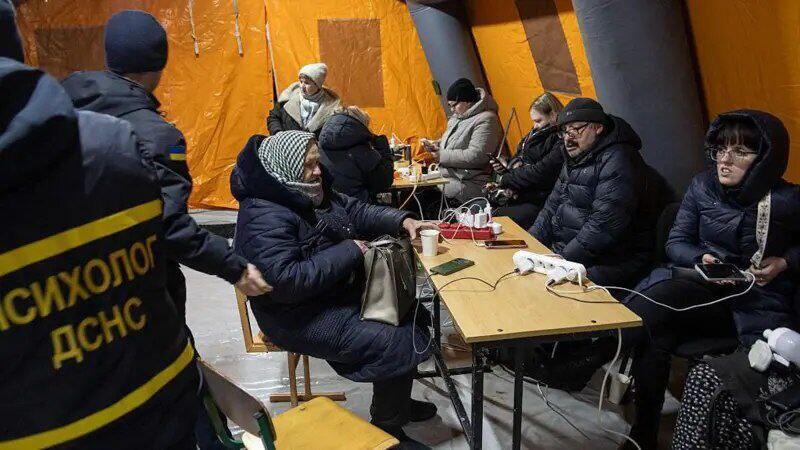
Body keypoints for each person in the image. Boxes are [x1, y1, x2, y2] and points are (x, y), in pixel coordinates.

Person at [60, 10, 270, 449]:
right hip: (141, 292)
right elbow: (168, 223)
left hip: (68, 295)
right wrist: (233, 267)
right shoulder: (156, 135)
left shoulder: (59, 112)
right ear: (159, 64)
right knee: (177, 389)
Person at [0, 3, 197, 447]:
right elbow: (171, 232)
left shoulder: (102, 125)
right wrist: (233, 266)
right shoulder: (123, 146)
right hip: (158, 404)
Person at [231, 130, 439, 446]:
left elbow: (354, 210)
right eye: (309, 165)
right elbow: (286, 283)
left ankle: (396, 404)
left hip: (329, 296)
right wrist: (349, 251)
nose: (317, 172)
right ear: (286, 167)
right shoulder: (263, 215)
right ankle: (388, 428)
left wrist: (401, 221)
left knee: (414, 314)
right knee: (396, 341)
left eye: (318, 163)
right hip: (295, 316)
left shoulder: (308, 190)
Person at [621, 110, 800, 449]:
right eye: (720, 149)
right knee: (654, 328)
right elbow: (677, 242)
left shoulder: (788, 200)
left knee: (652, 318)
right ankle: (643, 433)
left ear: (766, 160)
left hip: (755, 300)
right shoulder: (702, 186)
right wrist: (698, 258)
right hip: (704, 288)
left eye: (740, 152)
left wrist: (784, 262)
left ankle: (612, 334)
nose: (725, 160)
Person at [530, 97, 651, 287]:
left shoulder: (619, 160)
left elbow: (602, 227)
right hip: (570, 254)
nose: (568, 138)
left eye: (576, 129)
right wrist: (531, 247)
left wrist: (561, 260)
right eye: (564, 131)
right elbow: (550, 208)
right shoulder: (575, 157)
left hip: (611, 260)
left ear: (598, 127)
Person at [485, 92, 565, 228]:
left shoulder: (559, 140)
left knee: (493, 217)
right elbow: (520, 159)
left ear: (553, 114)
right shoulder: (533, 135)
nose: (535, 125)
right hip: (523, 192)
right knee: (481, 209)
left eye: (538, 121)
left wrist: (507, 178)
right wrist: (505, 168)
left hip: (538, 198)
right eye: (533, 121)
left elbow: (540, 172)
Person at [421, 78, 502, 204]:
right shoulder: (457, 118)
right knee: (417, 191)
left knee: (423, 197)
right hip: (450, 176)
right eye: (450, 105)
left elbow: (477, 156)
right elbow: (453, 143)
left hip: (469, 182)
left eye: (454, 105)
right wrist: (436, 145)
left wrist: (441, 155)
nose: (452, 109)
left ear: (468, 102)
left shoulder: (487, 120)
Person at [318, 106, 394, 203]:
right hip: (357, 209)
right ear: (360, 125)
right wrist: (384, 150)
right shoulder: (361, 150)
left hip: (328, 209)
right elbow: (384, 183)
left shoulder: (319, 145)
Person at [267, 62, 342, 137]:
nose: (302, 86)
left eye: (307, 83)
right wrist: (278, 133)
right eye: (301, 81)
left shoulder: (332, 107)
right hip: (286, 145)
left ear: (317, 85)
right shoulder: (288, 98)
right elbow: (273, 117)